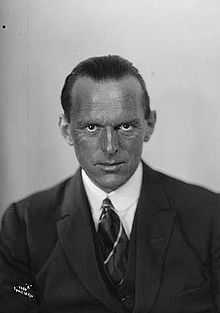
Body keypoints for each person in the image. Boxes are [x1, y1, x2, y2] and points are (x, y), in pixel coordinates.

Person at [0, 55, 219, 313]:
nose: (110, 147)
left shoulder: (210, 216)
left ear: (149, 125)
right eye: (91, 127)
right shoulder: (23, 226)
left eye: (125, 126)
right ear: (66, 130)